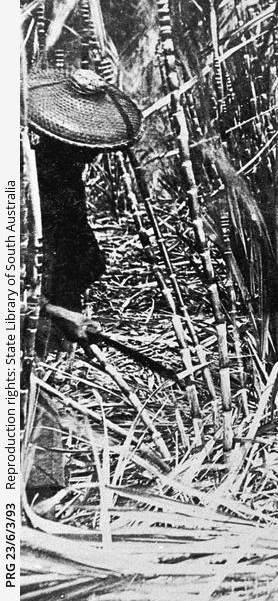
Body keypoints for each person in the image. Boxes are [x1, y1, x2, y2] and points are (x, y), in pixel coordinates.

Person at [23, 67, 142, 495]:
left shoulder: (62, 173)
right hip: (34, 313)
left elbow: (82, 255)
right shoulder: (29, 188)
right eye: (84, 146)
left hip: (48, 302)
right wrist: (55, 311)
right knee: (31, 384)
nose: (91, 154)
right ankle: (38, 492)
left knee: (42, 383)